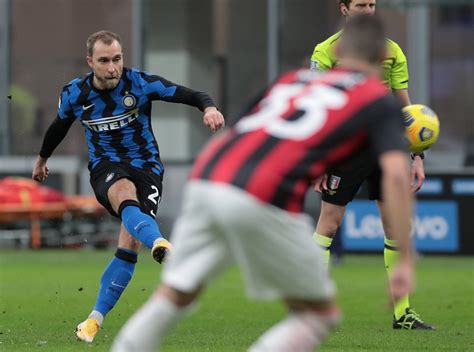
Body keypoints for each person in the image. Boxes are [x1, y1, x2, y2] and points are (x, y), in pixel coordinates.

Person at [112, 15, 416, 352]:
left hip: (207, 177)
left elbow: (246, 131)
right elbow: (396, 173)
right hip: (261, 194)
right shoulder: (376, 97)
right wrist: (405, 260)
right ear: (382, 59)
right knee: (319, 314)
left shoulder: (291, 80)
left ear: (340, 49)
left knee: (177, 293)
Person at [31, 30, 225, 343]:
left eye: (117, 59)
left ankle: (94, 319)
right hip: (105, 167)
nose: (113, 67)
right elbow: (58, 126)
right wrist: (41, 159)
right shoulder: (75, 94)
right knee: (123, 192)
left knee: (129, 243)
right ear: (90, 61)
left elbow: (191, 94)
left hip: (147, 168)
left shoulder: (140, 84)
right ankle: (161, 242)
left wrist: (210, 108)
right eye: (105, 61)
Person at [310, 0, 434, 330]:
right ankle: (312, 306)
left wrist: (417, 154)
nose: (368, 9)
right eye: (361, 4)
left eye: (372, 3)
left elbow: (404, 105)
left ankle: (402, 313)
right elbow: (316, 102)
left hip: (385, 147)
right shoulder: (325, 51)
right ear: (344, 8)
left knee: (395, 226)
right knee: (329, 224)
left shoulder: (392, 50)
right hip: (344, 149)